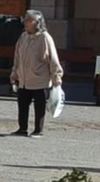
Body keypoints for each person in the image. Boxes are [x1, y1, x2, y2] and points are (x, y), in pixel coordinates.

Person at [11, 9, 63, 138]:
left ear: (38, 23)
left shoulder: (45, 38)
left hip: (40, 80)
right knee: (22, 105)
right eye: (26, 19)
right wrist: (14, 73)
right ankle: (22, 128)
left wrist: (57, 77)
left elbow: (53, 59)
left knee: (39, 107)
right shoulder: (23, 37)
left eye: (30, 20)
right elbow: (17, 57)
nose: (26, 22)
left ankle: (38, 130)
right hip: (24, 79)